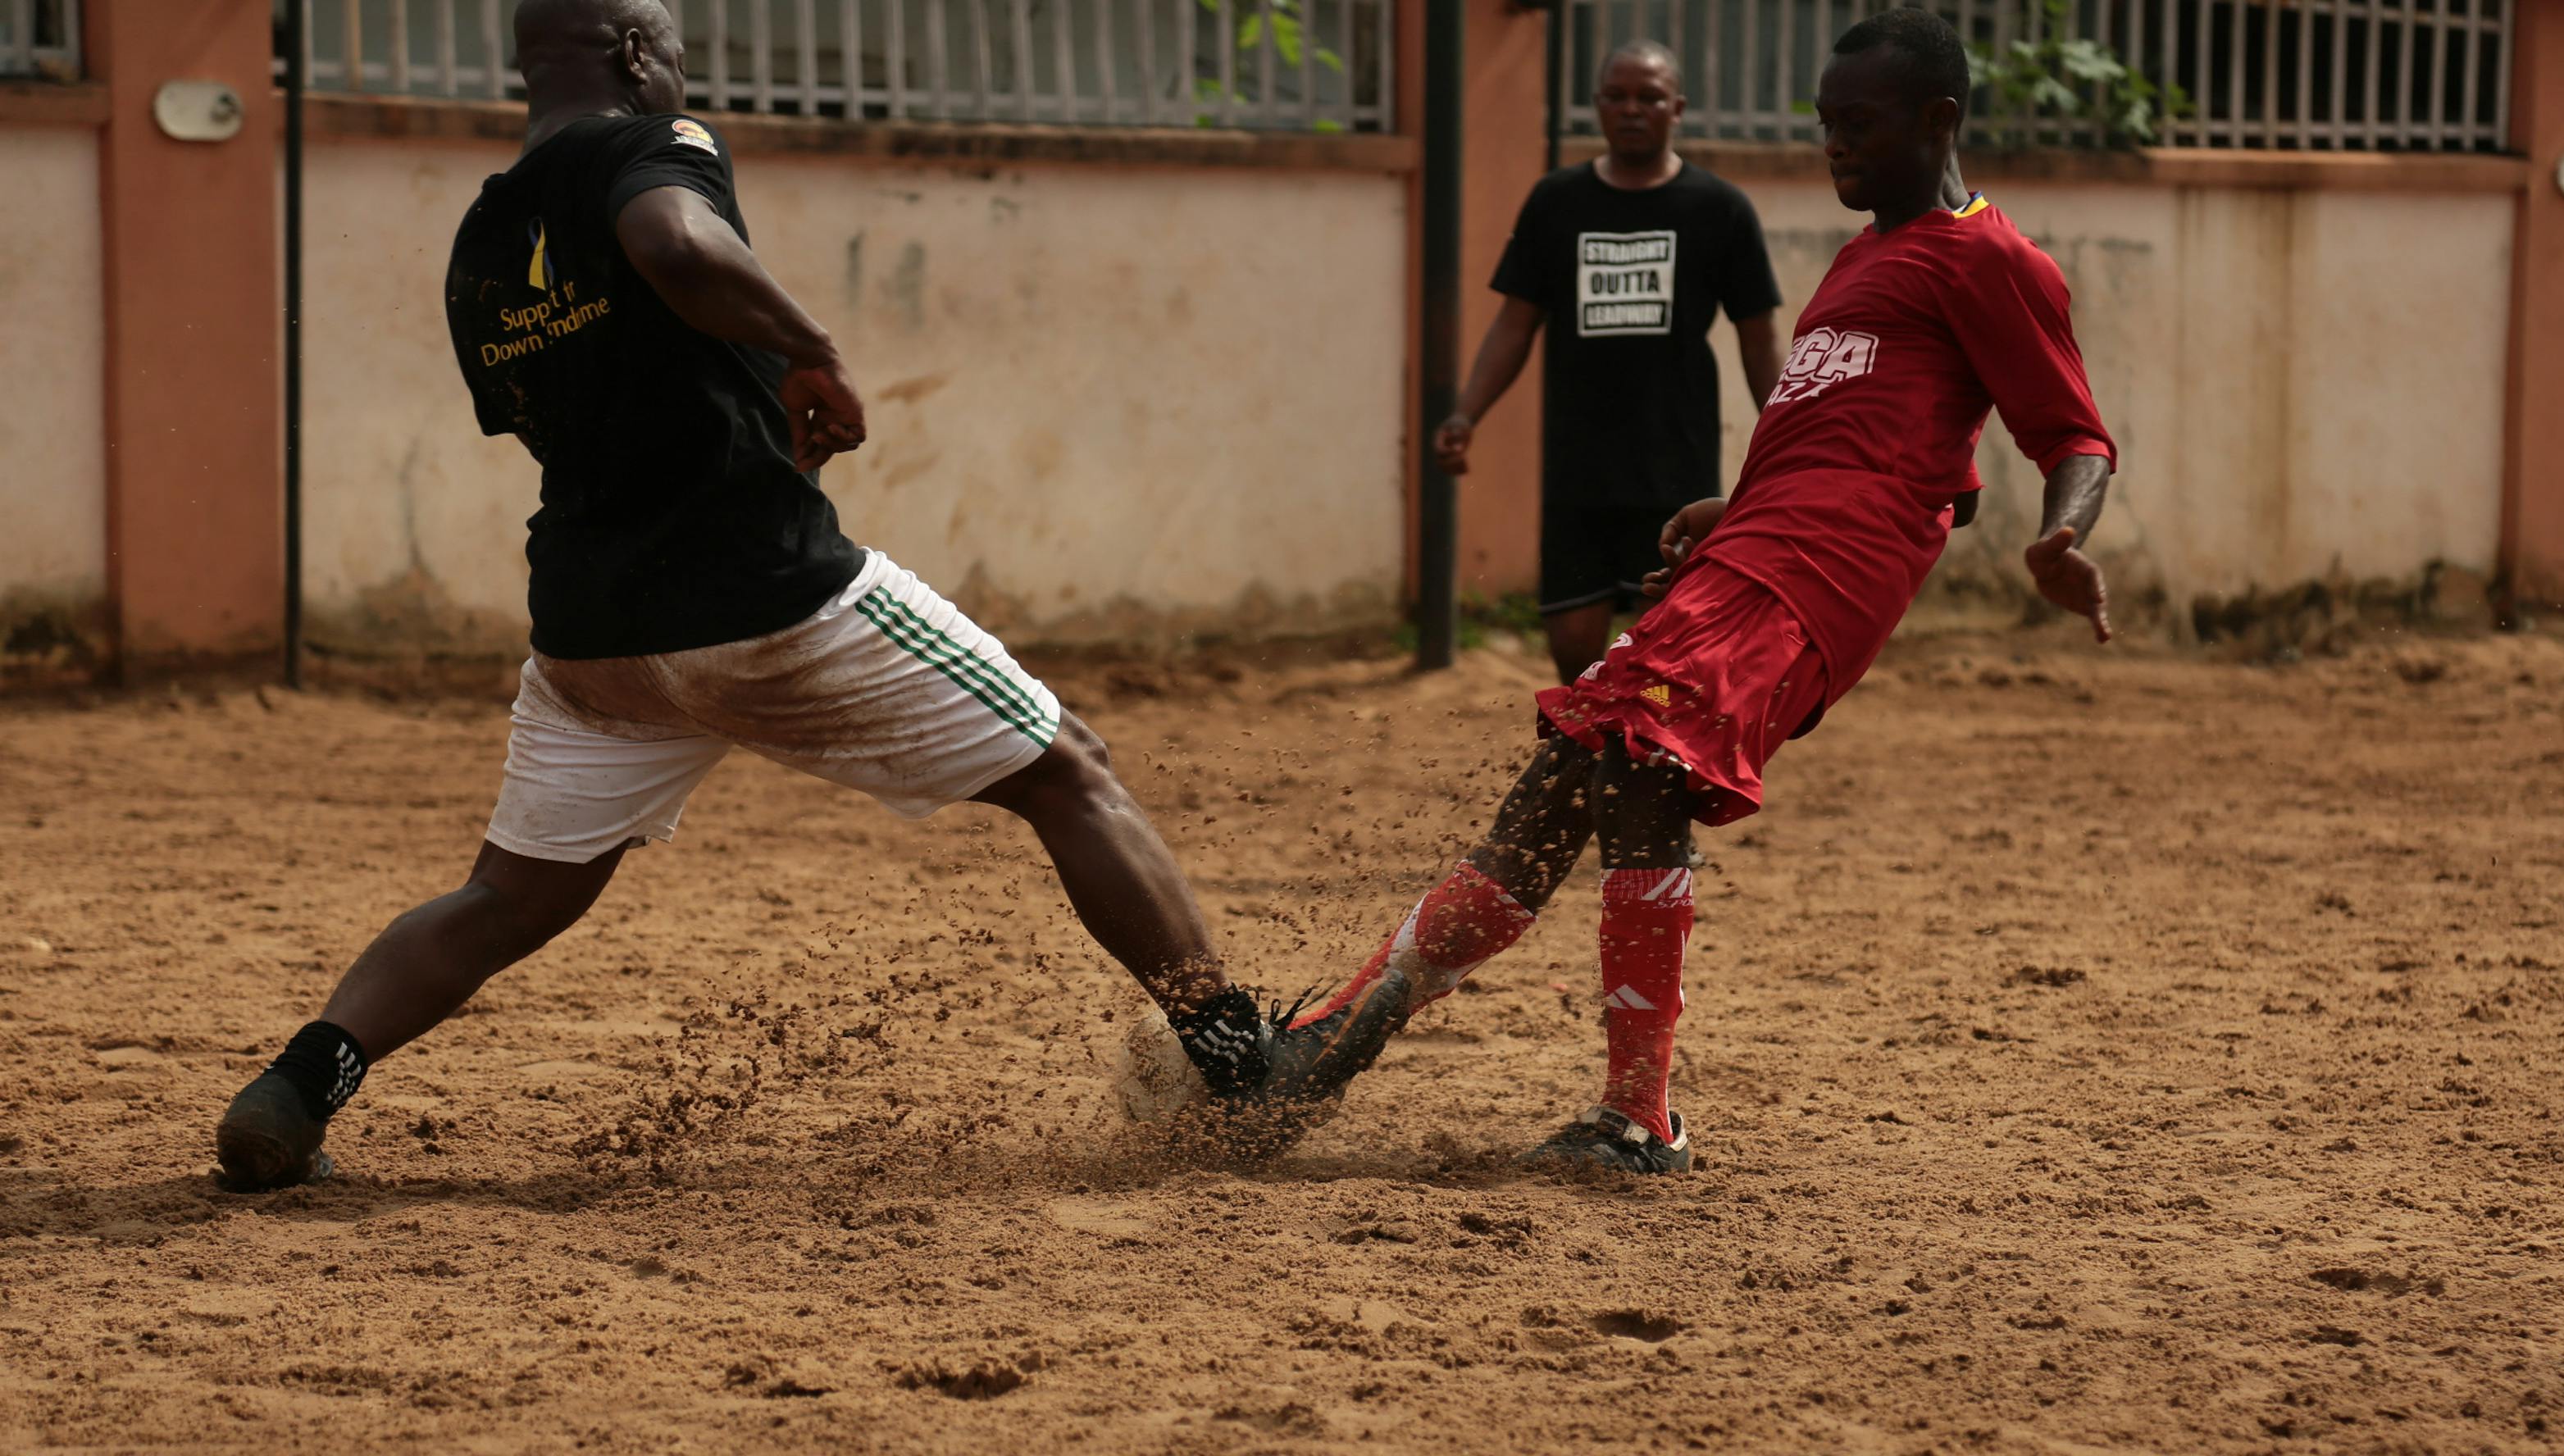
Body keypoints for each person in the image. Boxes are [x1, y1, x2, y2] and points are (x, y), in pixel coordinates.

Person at [210, 0, 1404, 1192]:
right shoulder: (654, 145)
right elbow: (676, 247)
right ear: (637, 53)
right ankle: (1243, 1064)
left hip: (592, 628)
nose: (682, 68)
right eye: (672, 46)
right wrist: (810, 347)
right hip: (764, 595)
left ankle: (300, 1086)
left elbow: (572, 406)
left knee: (502, 899)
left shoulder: (485, 232)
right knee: (1068, 773)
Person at [1297, 7, 2117, 1173]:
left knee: (1642, 769)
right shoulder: (1863, 257)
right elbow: (1882, 443)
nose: (1834, 144)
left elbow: (2073, 435)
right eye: (1825, 122)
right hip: (1749, 554)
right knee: (1561, 780)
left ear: (1938, 121)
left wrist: (2062, 538)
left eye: (1860, 125)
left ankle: (1637, 1117)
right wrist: (1733, 506)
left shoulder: (1991, 260)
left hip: (1809, 583)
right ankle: (1330, 1038)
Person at [1434, 39, 1786, 686]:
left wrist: (1789, 437)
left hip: (1675, 464)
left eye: (1649, 97)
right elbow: (1516, 322)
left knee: (1665, 645)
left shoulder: (1719, 209)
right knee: (1574, 649)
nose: (1632, 109)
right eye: (1617, 96)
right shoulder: (1556, 202)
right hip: (1578, 466)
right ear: (1596, 106)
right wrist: (1466, 412)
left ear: (1676, 107)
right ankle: (1592, 766)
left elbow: (1758, 337)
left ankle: (1646, 774)